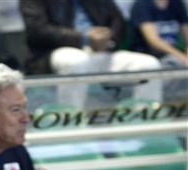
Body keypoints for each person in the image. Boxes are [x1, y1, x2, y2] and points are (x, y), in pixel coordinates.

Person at [19, 0, 162, 105]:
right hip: (55, 52)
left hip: (98, 51)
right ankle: (70, 121)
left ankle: (146, 120)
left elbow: (117, 21)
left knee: (148, 64)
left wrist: (108, 39)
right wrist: (84, 38)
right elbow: (37, 31)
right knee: (77, 60)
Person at [130, 0, 188, 67]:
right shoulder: (141, 5)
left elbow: (186, 35)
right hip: (147, 55)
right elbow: (153, 41)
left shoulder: (177, 3)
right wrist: (182, 57)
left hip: (172, 55)